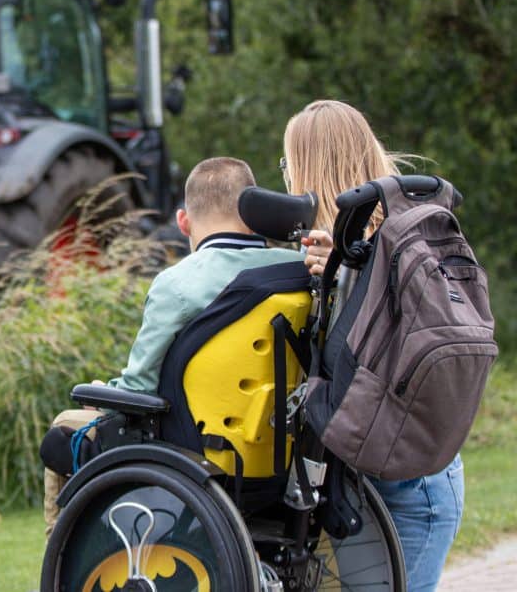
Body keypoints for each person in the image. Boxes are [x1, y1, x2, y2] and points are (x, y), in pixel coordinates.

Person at [42, 156, 303, 533]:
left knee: (63, 429)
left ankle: (63, 561)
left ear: (183, 222)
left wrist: (103, 394)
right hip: (283, 456)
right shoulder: (297, 270)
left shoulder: (177, 284)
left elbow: (139, 386)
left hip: (197, 454)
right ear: (254, 213)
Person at [282, 99, 464, 592]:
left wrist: (344, 271)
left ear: (308, 166)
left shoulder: (396, 245)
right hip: (374, 482)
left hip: (414, 486)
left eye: (287, 164)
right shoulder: (346, 248)